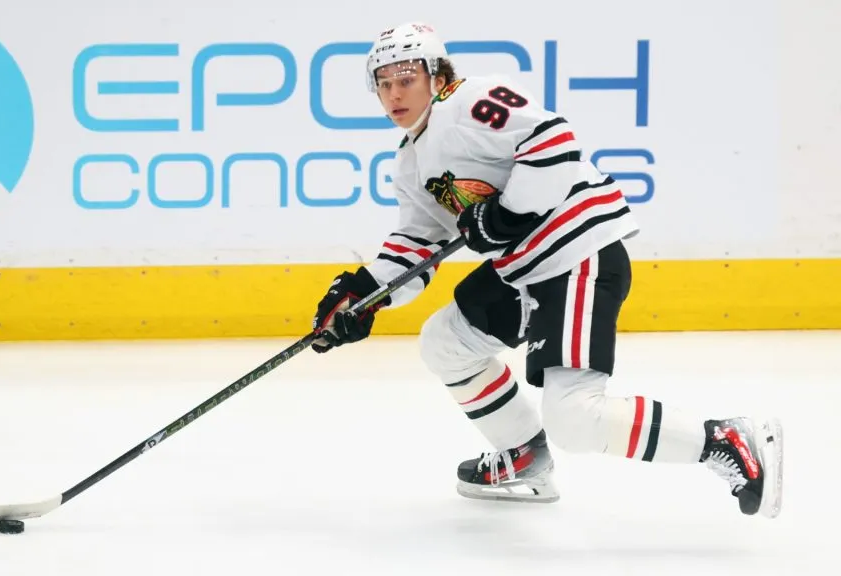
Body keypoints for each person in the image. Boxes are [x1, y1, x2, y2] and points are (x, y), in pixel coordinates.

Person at [309, 21, 783, 518]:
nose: (393, 94)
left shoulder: (468, 101)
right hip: (524, 272)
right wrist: (363, 296)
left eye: (405, 78)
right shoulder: (409, 162)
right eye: (383, 83)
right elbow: (416, 243)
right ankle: (522, 456)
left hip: (575, 254)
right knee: (445, 343)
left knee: (575, 418)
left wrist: (507, 215)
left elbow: (552, 139)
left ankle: (723, 440)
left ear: (436, 73)